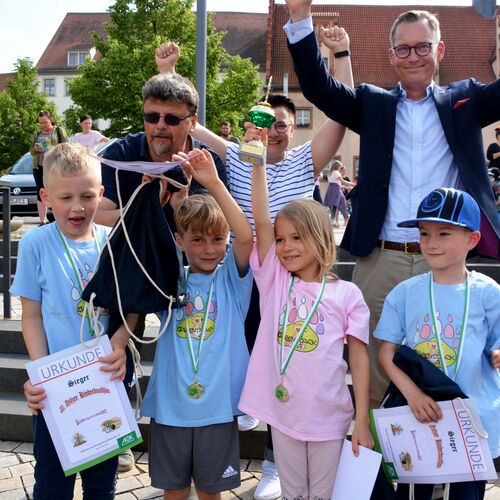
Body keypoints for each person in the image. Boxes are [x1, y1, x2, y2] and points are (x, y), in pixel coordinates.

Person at [155, 33, 353, 500]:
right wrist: (168, 72)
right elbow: (184, 121)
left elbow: (343, 115)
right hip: (244, 272)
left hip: (290, 274)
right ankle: (251, 420)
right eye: (267, 122)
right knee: (254, 361)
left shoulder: (307, 158)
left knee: (291, 366)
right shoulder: (238, 155)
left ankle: (270, 461)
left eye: (284, 123)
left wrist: (339, 58)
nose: (276, 129)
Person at [283, 0, 500, 407]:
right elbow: (317, 88)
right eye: (403, 48)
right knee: (374, 367)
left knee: (451, 361)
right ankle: (384, 462)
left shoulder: (466, 100)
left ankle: (451, 459)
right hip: (383, 259)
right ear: (391, 56)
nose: (413, 56)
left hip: (445, 260)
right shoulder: (373, 104)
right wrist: (299, 17)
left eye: (422, 47)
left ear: (440, 51)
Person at [238, 150, 374, 500]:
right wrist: (258, 167)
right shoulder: (276, 281)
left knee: (324, 495)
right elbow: (261, 220)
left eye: (297, 237)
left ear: (320, 238)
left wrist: (361, 419)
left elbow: (358, 360)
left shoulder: (348, 294)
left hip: (329, 418)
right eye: (281, 239)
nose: (285, 247)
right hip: (284, 414)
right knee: (294, 493)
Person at [10, 143, 131, 499]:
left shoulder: (112, 242)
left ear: (101, 194)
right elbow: (30, 315)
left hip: (104, 383)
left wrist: (120, 342)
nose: (77, 207)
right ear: (46, 197)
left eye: (87, 196)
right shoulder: (35, 243)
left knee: (101, 483)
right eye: (65, 197)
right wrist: (40, 370)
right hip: (55, 390)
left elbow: (130, 307)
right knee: (51, 483)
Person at [141, 148, 253, 499]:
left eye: (218, 239)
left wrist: (214, 183)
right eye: (198, 240)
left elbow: (246, 235)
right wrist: (152, 198)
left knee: (210, 492)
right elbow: (146, 242)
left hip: (217, 409)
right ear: (180, 241)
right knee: (173, 492)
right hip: (170, 409)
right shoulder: (170, 279)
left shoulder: (232, 281)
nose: (209, 249)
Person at [375, 187, 500, 500]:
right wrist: (412, 394)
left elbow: (496, 343)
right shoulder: (404, 293)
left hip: (472, 420)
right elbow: (387, 353)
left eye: (444, 233)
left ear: (472, 240)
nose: (431, 242)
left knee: (467, 495)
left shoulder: (488, 292)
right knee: (414, 492)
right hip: (419, 415)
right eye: (425, 233)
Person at [30, 110, 68, 224]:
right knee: (40, 192)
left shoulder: (58, 130)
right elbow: (31, 152)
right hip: (39, 167)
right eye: (40, 123)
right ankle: (42, 221)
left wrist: (51, 148)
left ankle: (59, 219)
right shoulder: (37, 134)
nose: (43, 125)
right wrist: (35, 150)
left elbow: (66, 147)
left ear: (50, 120)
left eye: (45, 122)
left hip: (54, 166)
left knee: (56, 191)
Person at [323, 159, 354, 227]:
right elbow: (342, 181)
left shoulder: (330, 173)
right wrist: (352, 184)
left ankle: (335, 220)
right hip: (336, 190)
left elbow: (338, 183)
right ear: (337, 166)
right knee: (339, 204)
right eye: (340, 166)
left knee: (336, 205)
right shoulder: (336, 172)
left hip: (332, 189)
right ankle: (343, 219)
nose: (340, 168)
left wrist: (348, 187)